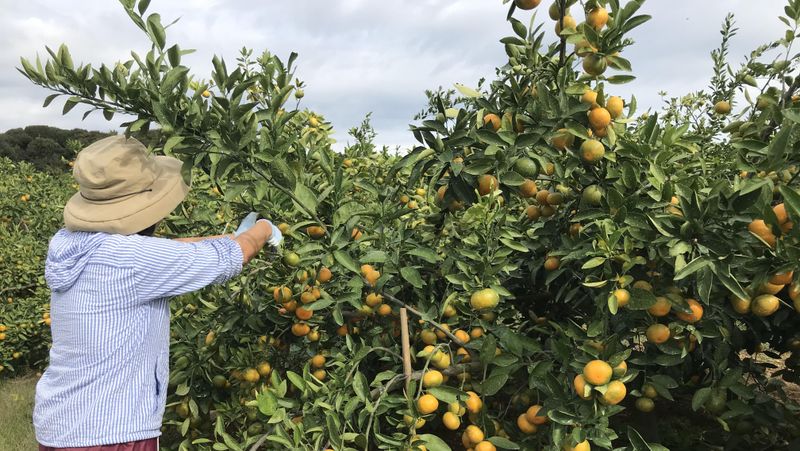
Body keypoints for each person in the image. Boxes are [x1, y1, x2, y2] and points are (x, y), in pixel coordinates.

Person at [33, 135, 282, 450]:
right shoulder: (131, 261)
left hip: (61, 421)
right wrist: (263, 229)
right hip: (110, 431)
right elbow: (228, 259)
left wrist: (234, 235)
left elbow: (163, 251)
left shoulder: (68, 243)